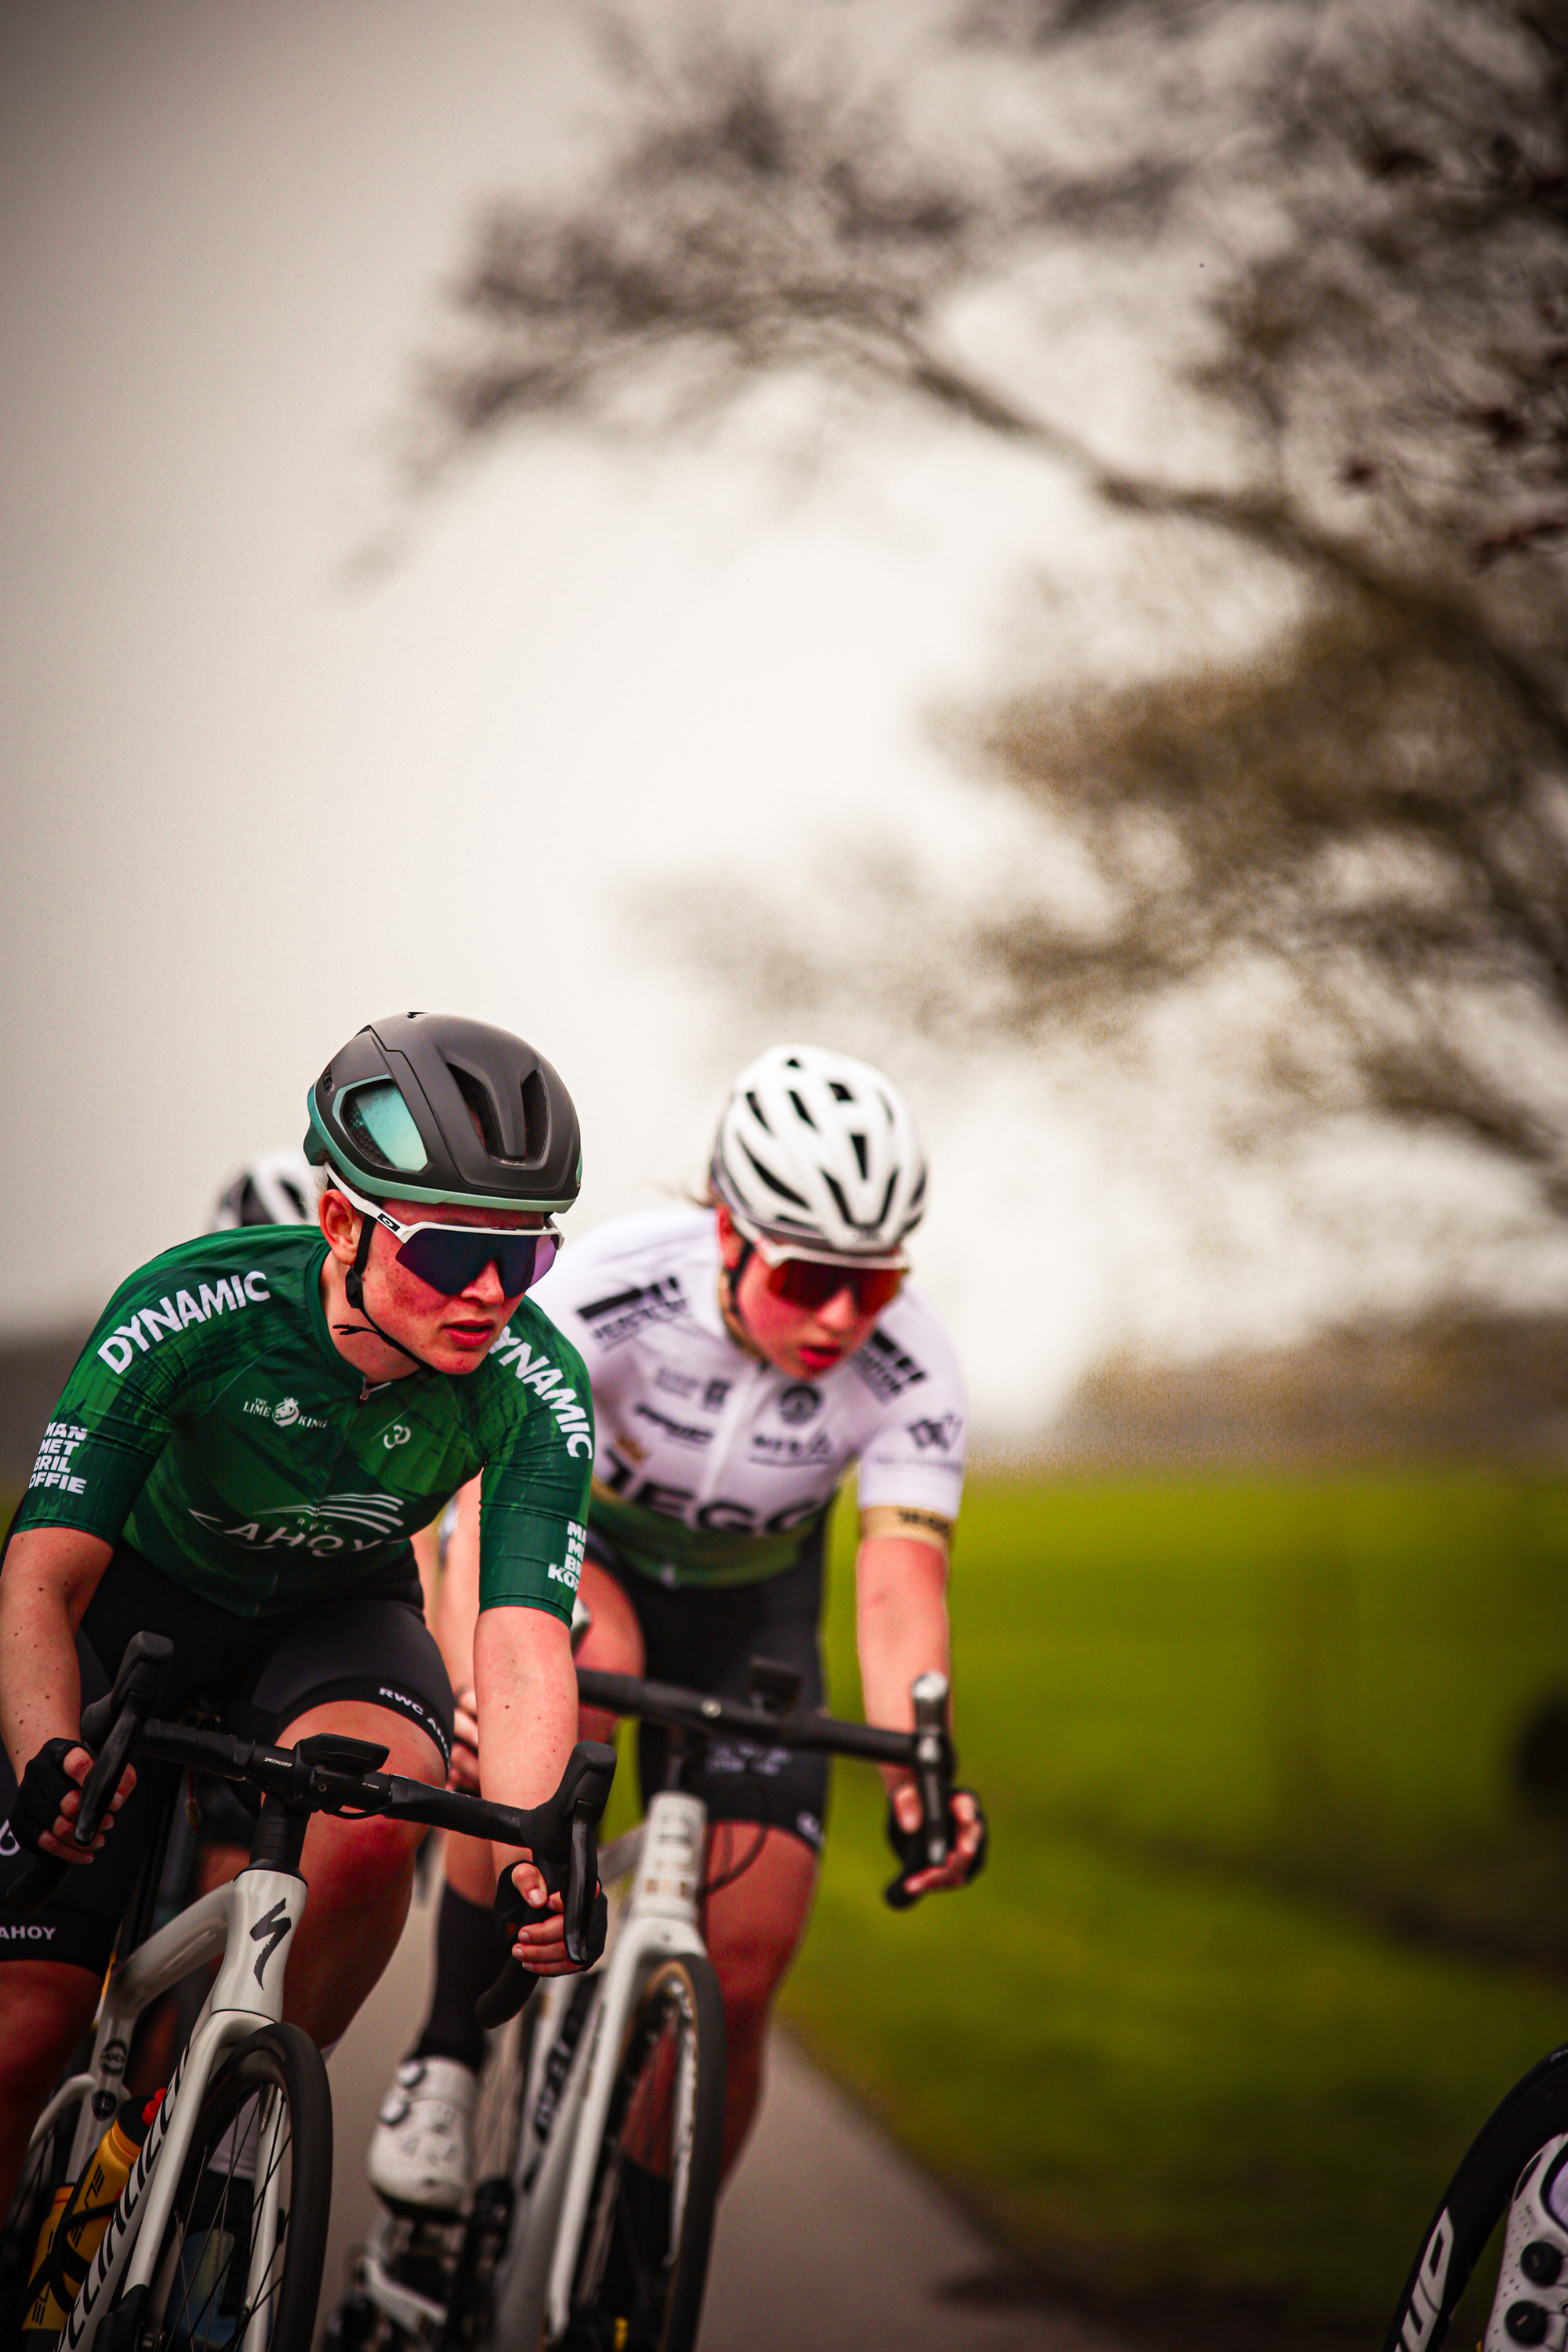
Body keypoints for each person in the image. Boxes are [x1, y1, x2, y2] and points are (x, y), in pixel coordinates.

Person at [368, 1044, 985, 2211]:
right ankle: (445, 2056)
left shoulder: (915, 1367)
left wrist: (921, 1763)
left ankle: (634, 2259)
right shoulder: (608, 1287)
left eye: (880, 1282)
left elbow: (900, 1583)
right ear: (729, 1236)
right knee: (577, 1681)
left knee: (744, 1972)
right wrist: (469, 1682)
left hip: (755, 1607)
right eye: (809, 1281)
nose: (846, 1316)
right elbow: (482, 1495)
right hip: (580, 1553)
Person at [0, 1011, 598, 2216]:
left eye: (524, 1257)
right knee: (27, 2031)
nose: (489, 1295)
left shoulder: (535, 1386)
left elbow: (525, 1637)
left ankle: (213, 2137)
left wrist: (538, 1843)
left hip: (336, 1616)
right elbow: (43, 1577)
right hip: (138, 1616)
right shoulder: (194, 1308)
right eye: (445, 1255)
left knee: (379, 1833)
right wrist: (44, 1747)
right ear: (341, 1221)